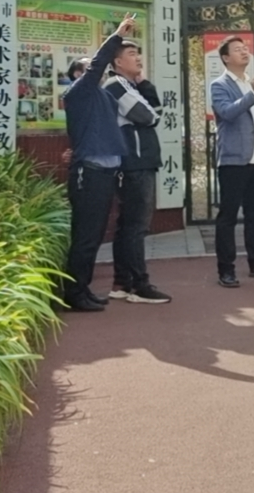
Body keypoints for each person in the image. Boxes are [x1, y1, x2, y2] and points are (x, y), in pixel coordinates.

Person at [60, 16, 137, 312]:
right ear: (78, 74)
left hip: (104, 173)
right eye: (88, 67)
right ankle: (74, 293)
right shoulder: (79, 92)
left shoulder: (103, 97)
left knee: (93, 237)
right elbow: (97, 65)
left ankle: (82, 288)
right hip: (89, 174)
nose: (98, 69)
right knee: (85, 236)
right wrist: (116, 35)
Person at [209, 36, 254, 286]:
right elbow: (227, 113)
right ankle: (226, 269)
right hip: (235, 160)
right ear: (225, 57)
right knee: (228, 216)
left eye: (245, 48)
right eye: (237, 49)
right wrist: (252, 93)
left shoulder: (252, 83)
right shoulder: (219, 85)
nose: (244, 52)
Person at [104, 40, 172, 304]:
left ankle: (122, 283)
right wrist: (144, 89)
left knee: (128, 226)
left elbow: (154, 112)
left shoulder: (129, 86)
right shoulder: (116, 85)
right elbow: (150, 116)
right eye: (132, 54)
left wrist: (143, 85)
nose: (139, 58)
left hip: (137, 162)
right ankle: (138, 285)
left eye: (139, 53)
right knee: (135, 227)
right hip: (134, 163)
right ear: (118, 62)